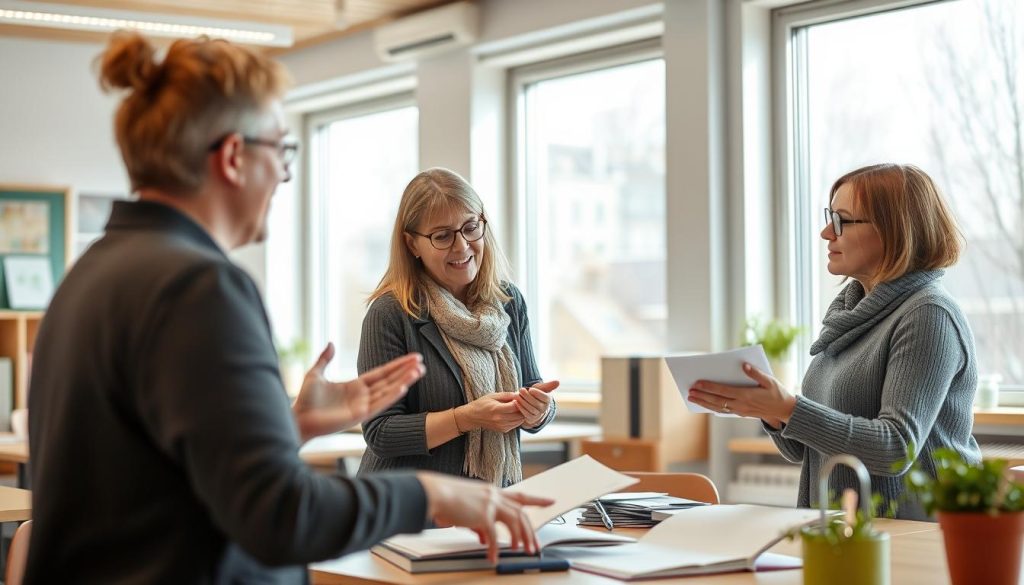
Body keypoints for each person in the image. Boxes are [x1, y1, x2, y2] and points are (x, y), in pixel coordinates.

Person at [26, 33, 549, 583]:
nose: (283, 174)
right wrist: (428, 492)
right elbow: (279, 515)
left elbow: (156, 474)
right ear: (233, 156)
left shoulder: (91, 273)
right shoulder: (198, 287)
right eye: (280, 149)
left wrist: (286, 428)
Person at [687, 163, 981, 519]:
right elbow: (803, 450)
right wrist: (773, 413)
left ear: (894, 230)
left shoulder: (928, 314)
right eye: (830, 217)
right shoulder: (849, 315)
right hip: (842, 529)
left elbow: (895, 449)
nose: (827, 232)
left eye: (842, 220)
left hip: (916, 535)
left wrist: (789, 408)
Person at [357, 168, 558, 487]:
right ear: (412, 244)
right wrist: (465, 418)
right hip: (408, 511)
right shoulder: (391, 313)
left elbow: (532, 386)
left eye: (470, 228)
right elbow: (381, 432)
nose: (462, 246)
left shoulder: (508, 301)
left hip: (488, 504)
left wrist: (539, 410)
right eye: (442, 236)